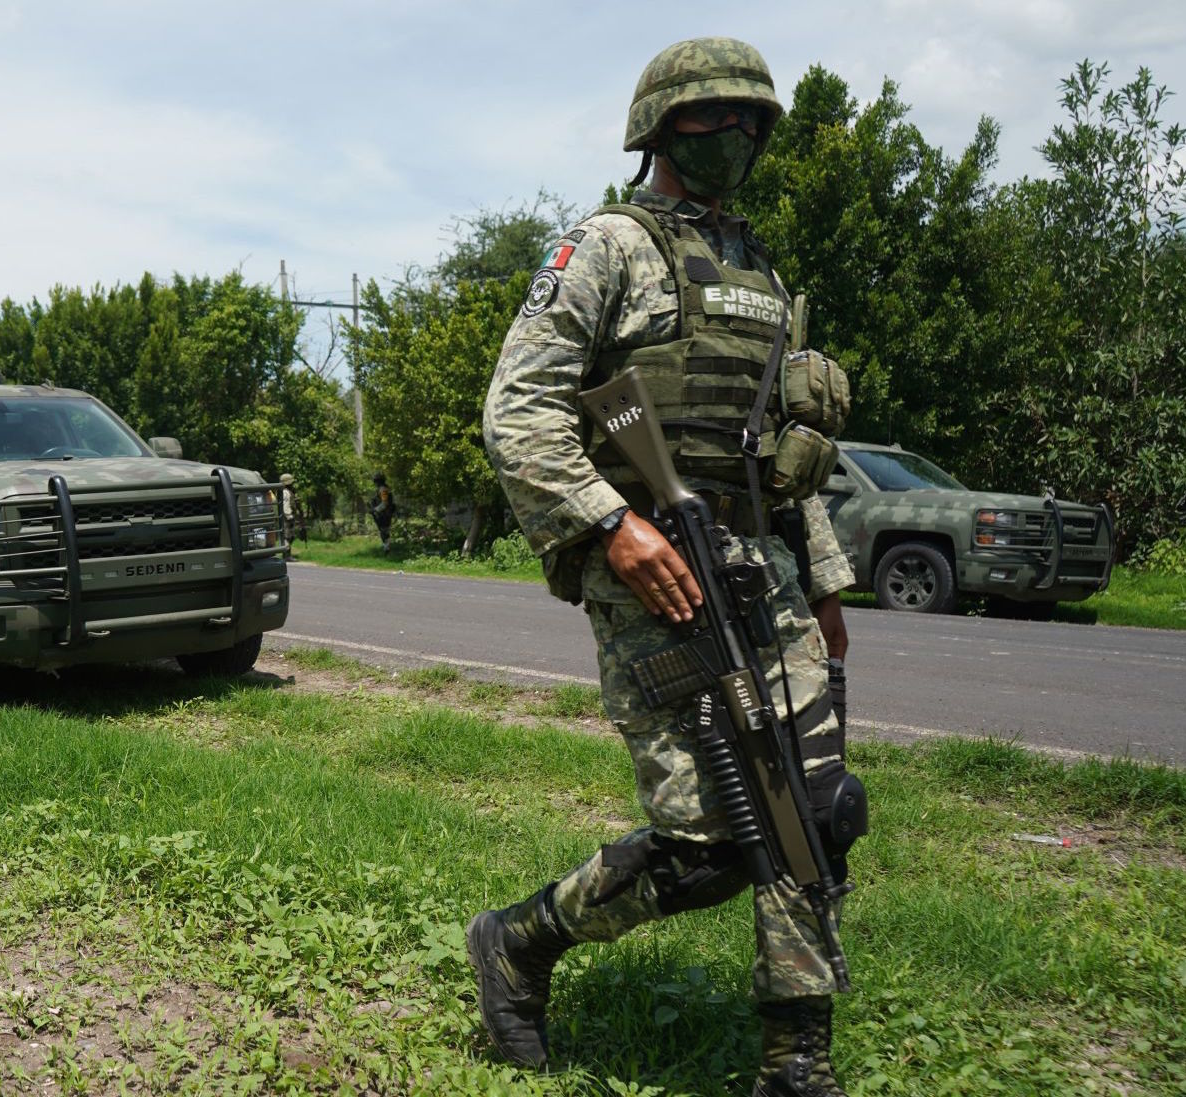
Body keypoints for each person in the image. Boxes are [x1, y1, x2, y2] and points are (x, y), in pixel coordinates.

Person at [470, 38, 862, 1096]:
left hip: (762, 573)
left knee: (815, 808)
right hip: (656, 571)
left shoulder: (764, 276)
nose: (732, 137)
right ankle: (518, 942)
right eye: (708, 119)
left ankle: (796, 1058)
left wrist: (821, 578)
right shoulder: (607, 246)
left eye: (749, 121)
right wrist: (609, 526)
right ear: (659, 130)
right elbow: (518, 411)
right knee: (711, 842)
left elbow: (784, 454)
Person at [369, 472, 396, 551]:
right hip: (383, 513)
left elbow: (385, 503)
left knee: (384, 531)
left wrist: (375, 509)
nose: (375, 483)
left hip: (384, 514)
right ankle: (386, 549)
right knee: (383, 531)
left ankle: (387, 549)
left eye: (376, 481)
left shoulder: (383, 489)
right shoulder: (383, 489)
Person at [279, 472, 307, 544]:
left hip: (289, 517)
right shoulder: (285, 492)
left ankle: (287, 553)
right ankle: (286, 554)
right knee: (287, 536)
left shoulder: (289, 492)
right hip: (287, 518)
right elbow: (285, 506)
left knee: (291, 536)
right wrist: (289, 516)